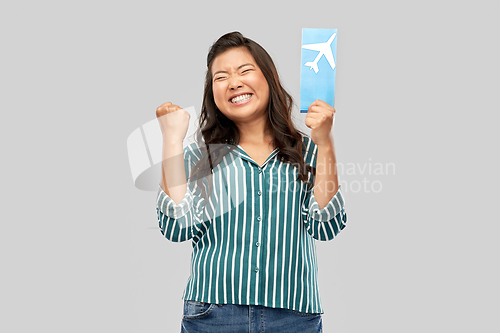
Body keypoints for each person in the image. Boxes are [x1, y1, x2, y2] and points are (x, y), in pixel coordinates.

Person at [155, 31, 347, 333]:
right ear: (212, 92)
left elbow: (326, 226)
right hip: (213, 314)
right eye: (221, 77)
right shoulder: (199, 155)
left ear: (268, 79)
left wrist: (326, 143)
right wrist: (170, 140)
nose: (234, 82)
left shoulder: (308, 151)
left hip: (293, 316)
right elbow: (177, 228)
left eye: (245, 71)